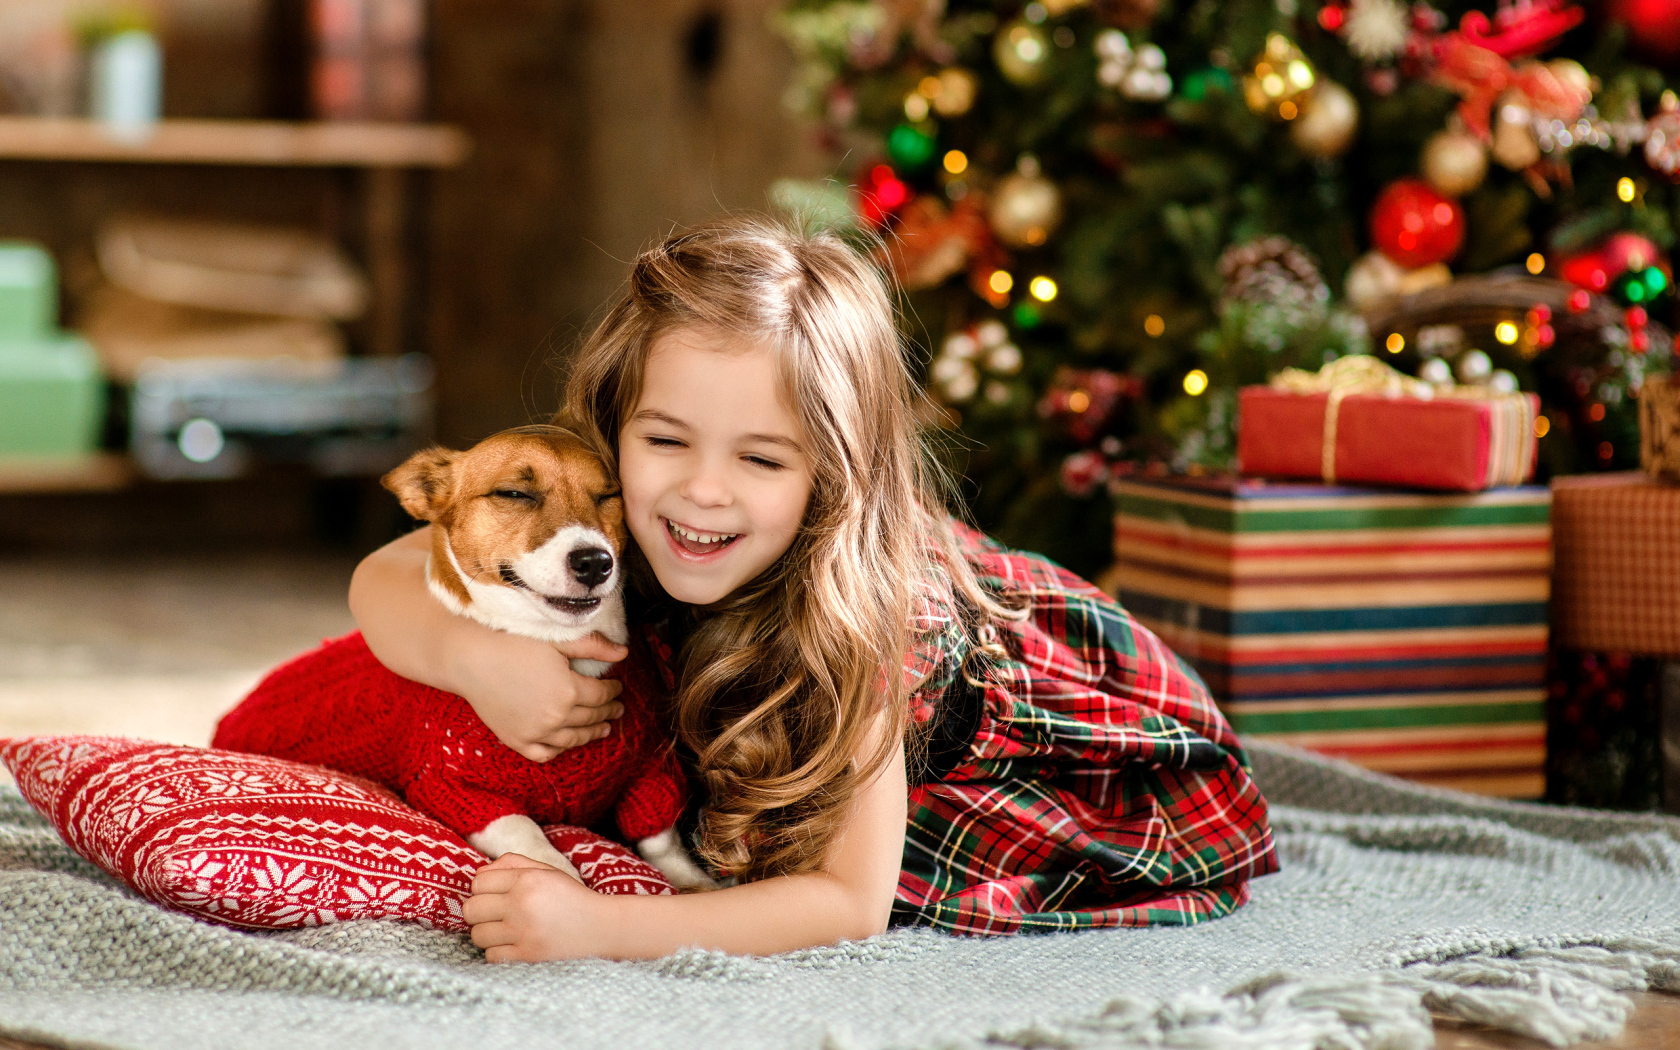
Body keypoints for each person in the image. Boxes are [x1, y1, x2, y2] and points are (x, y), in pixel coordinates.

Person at [349, 216, 1278, 962]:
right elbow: (385, 572)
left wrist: (603, 931)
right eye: (665, 440)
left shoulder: (873, 621)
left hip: (1074, 760)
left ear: (830, 477)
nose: (701, 491)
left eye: (760, 458)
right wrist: (474, 659)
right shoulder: (601, 502)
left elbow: (849, 901)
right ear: (612, 424)